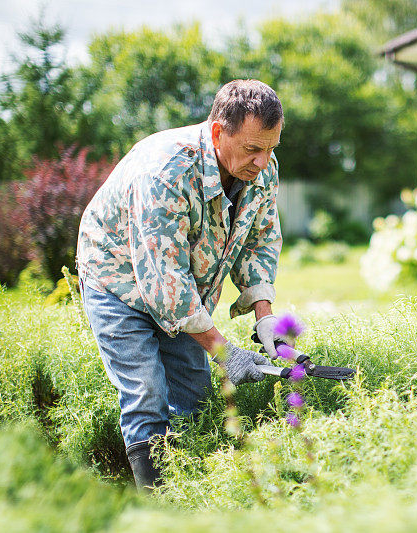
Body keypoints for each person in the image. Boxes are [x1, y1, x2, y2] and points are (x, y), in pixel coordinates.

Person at [76, 79, 288, 491]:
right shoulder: (164, 170)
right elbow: (163, 279)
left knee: (193, 396)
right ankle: (156, 507)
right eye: (252, 149)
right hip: (118, 282)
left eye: (272, 148)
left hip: (182, 287)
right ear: (217, 132)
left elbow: (261, 238)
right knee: (146, 390)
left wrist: (265, 316)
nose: (263, 161)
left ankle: (191, 491)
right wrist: (228, 353)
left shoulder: (262, 169)